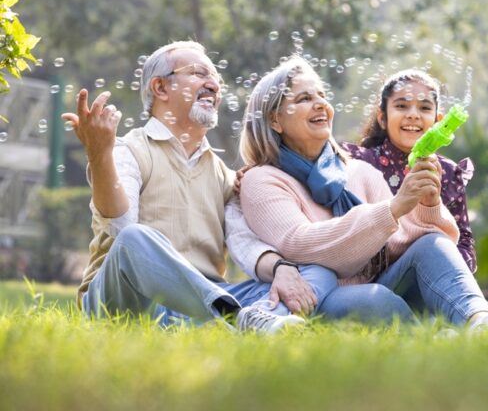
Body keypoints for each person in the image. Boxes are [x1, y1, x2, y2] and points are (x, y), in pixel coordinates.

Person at [233, 55, 488, 337]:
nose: (321, 104)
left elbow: (399, 244)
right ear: (275, 119)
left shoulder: (358, 171)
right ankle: (435, 338)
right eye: (304, 98)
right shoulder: (261, 180)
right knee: (376, 301)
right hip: (314, 296)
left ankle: (484, 323)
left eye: (322, 94)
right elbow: (299, 244)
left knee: (433, 244)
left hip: (379, 284)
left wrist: (428, 205)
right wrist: (392, 209)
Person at [63, 41, 336, 332]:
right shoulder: (127, 150)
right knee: (133, 238)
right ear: (160, 88)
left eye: (216, 79)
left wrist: (283, 269)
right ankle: (237, 319)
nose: (213, 85)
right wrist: (99, 154)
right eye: (198, 73)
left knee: (315, 273)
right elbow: (121, 229)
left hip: (200, 303)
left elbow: (244, 244)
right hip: (130, 302)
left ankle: (247, 321)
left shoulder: (224, 176)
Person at [344, 69, 478, 273]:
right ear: (382, 118)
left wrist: (450, 268)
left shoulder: (448, 173)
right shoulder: (360, 162)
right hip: (370, 279)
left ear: (438, 120)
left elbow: (464, 243)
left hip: (430, 278)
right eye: (401, 106)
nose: (413, 115)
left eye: (424, 108)